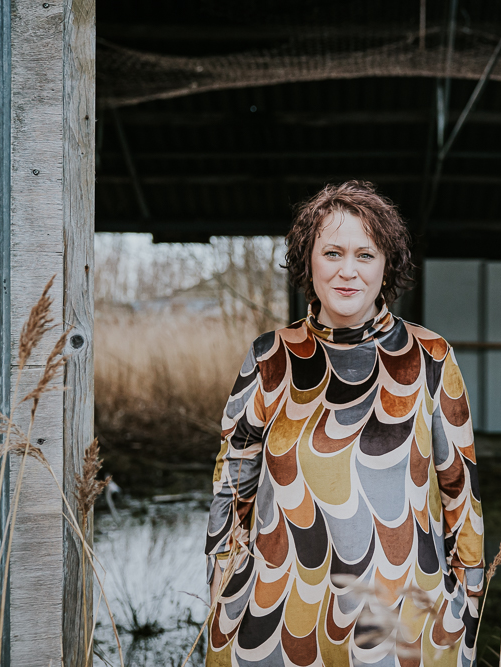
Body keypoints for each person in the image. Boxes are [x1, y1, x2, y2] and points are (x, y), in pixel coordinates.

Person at [205, 181, 484, 667]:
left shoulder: (430, 357)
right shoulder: (269, 356)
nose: (347, 271)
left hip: (401, 621)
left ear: (387, 265)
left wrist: (465, 607)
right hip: (278, 618)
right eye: (332, 252)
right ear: (307, 260)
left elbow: (462, 495)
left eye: (365, 255)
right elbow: (231, 488)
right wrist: (221, 591)